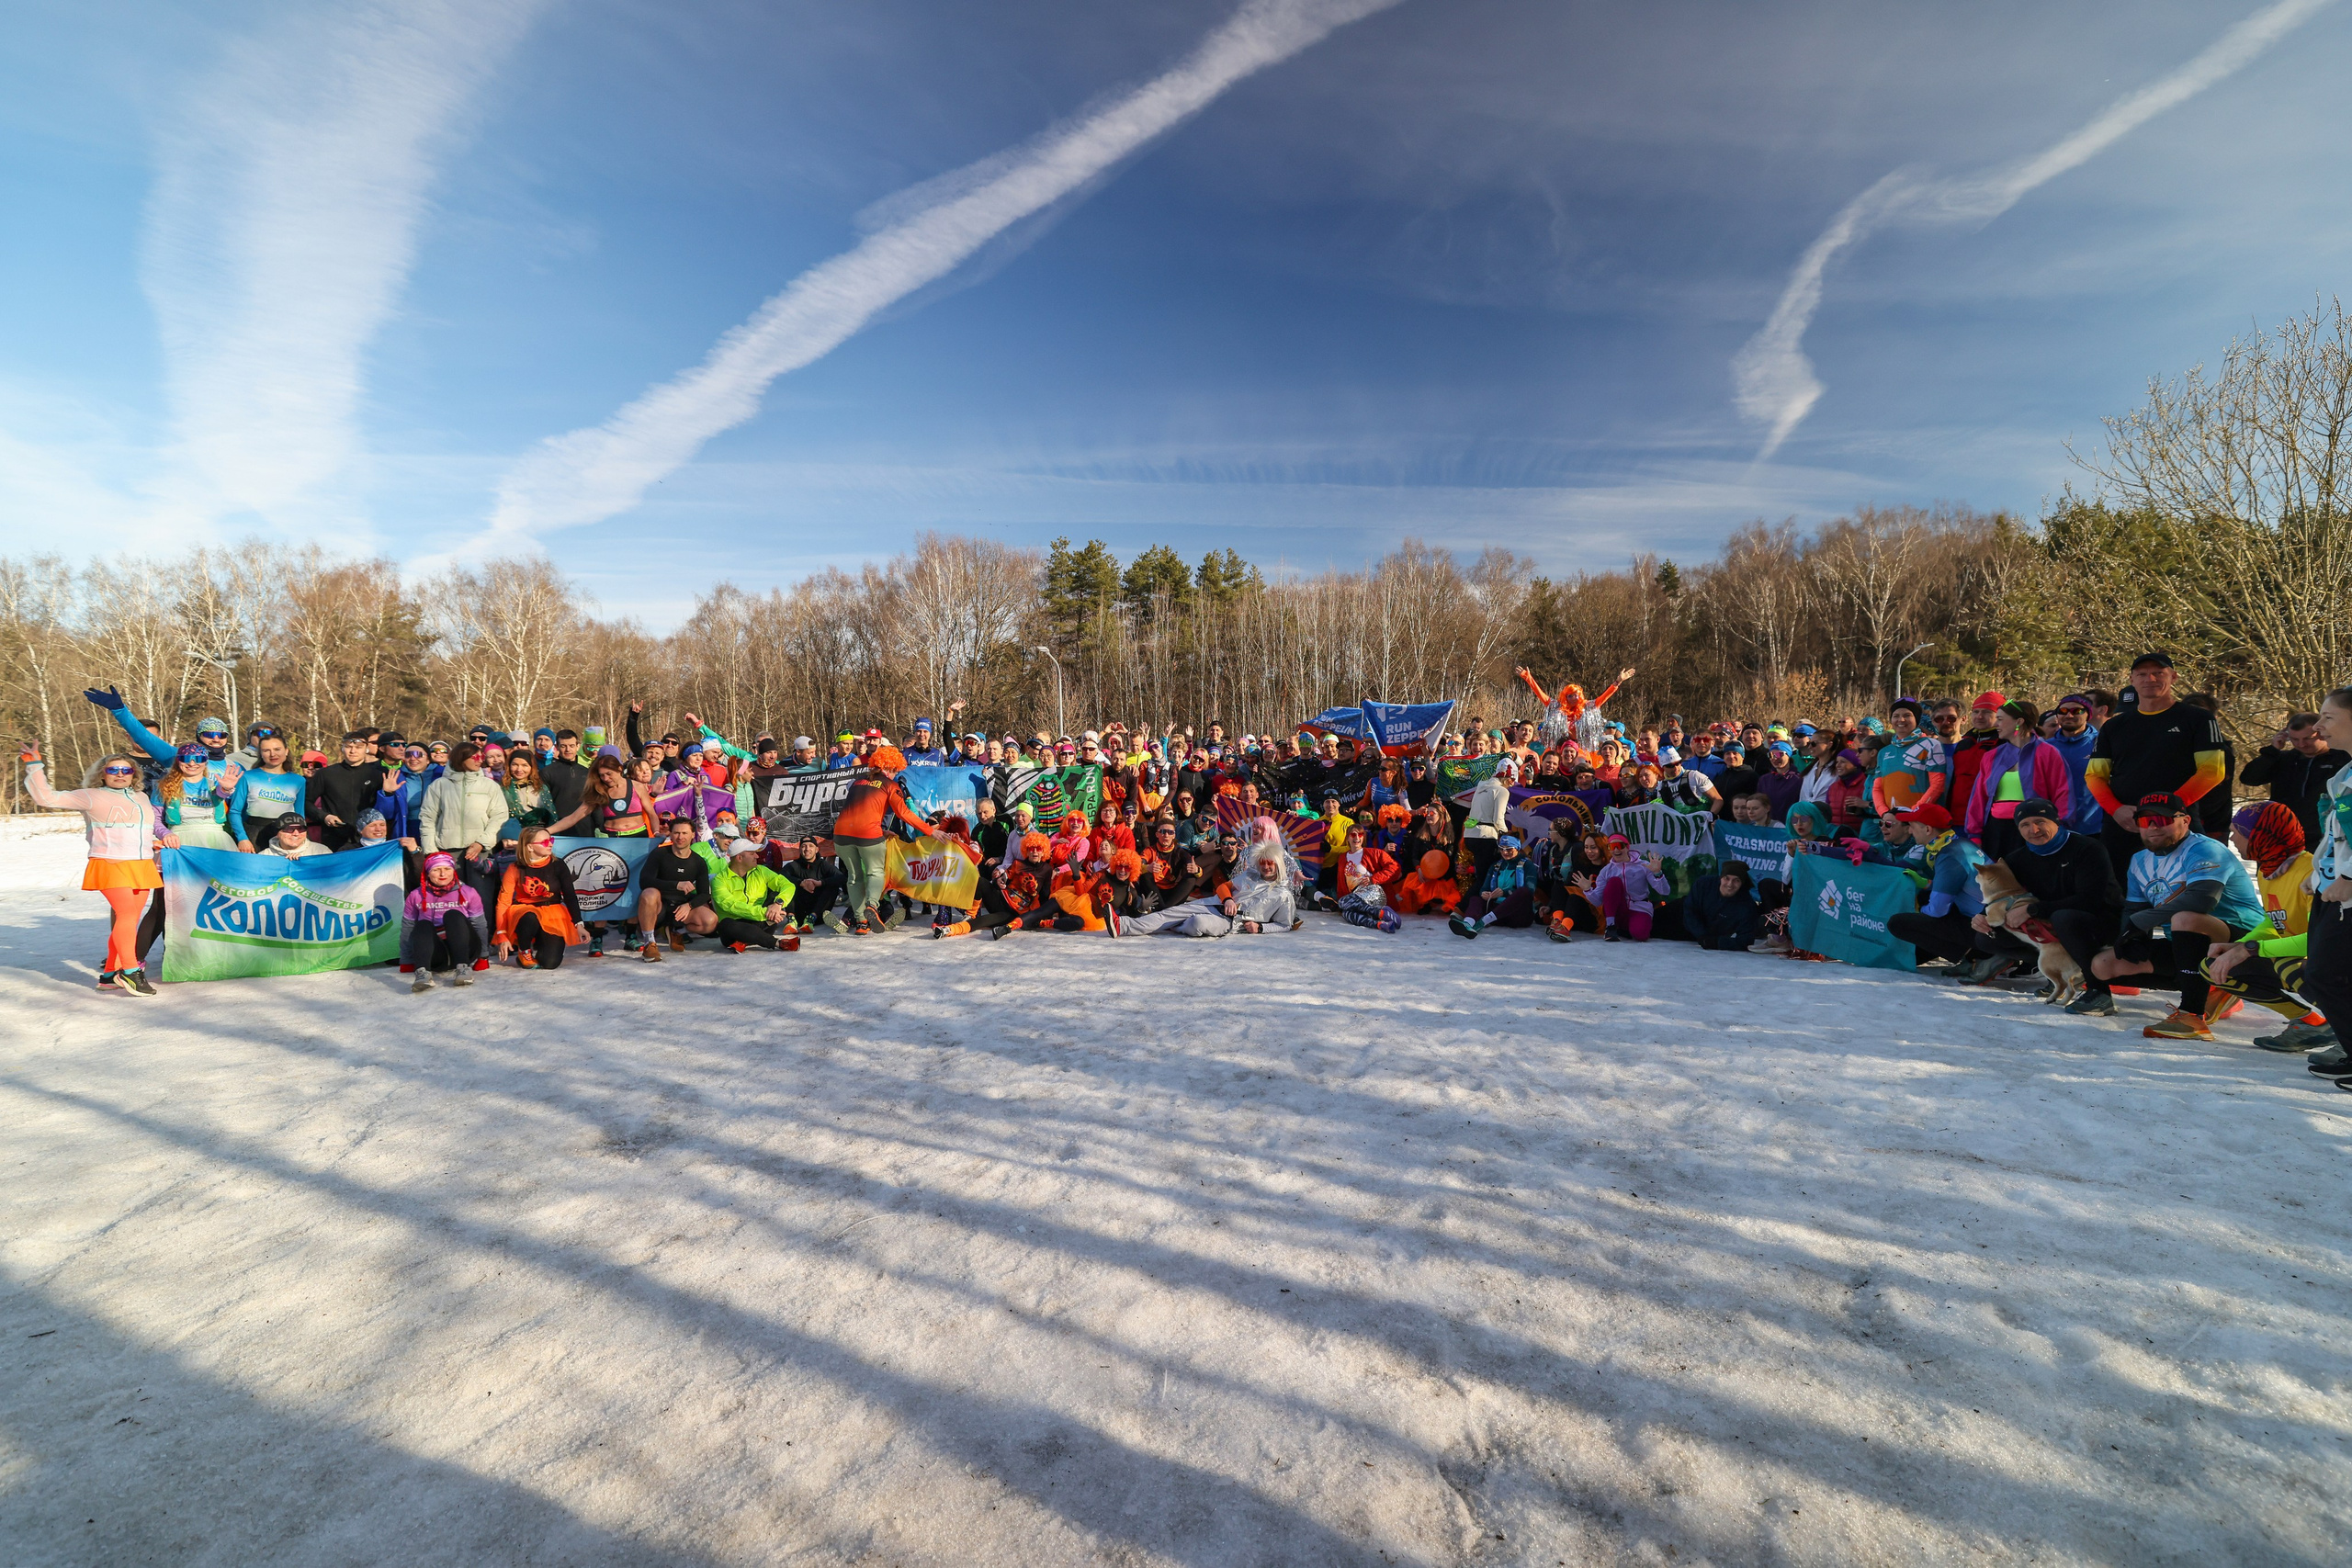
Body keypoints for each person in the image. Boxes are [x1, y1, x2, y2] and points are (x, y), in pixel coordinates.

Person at [2089, 793, 2269, 1040]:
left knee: (2185, 918)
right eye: (2145, 821)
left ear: (2185, 821)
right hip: (2188, 946)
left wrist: (2141, 922)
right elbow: (2134, 909)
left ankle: (2192, 1015)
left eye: (2162, 820)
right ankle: (2217, 987)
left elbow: (2202, 900)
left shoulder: (2205, 849)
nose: (2153, 827)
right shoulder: (2139, 860)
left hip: (2244, 941)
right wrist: (2132, 937)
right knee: (2103, 965)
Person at [21, 744, 161, 996]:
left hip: (141, 864)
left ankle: (109, 975)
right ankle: (130, 971)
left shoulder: (141, 797)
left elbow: (141, 828)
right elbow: (46, 798)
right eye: (113, 770)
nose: (120, 774)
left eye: (126, 770)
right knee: (126, 916)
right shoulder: (90, 796)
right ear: (102, 774)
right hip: (109, 862)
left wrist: (152, 841)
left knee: (129, 920)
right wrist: (34, 765)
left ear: (134, 774)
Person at [2085, 652, 2228, 880]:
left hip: (2176, 821)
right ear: (2132, 680)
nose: (2150, 679)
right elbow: (2094, 776)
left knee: (2187, 887)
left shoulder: (2198, 719)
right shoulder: (2114, 726)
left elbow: (2213, 771)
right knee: (2119, 890)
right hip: (2124, 823)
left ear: (2173, 677)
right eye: (2142, 674)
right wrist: (2115, 809)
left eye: (2158, 673)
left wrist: (2167, 809)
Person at [2200, 802, 2328, 1052]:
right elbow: (2275, 920)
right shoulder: (2270, 868)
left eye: (2238, 831)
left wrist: (2250, 949)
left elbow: (2317, 941)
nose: (2232, 838)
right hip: (2301, 955)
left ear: (2261, 836)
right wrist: (2239, 946)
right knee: (2214, 965)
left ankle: (2344, 1026)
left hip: (2329, 962)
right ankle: (2309, 1023)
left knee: (2287, 964)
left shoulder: (2312, 874)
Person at [830, 746, 933, 933]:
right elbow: (904, 813)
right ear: (889, 767)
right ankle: (872, 905)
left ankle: (861, 923)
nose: (896, 774)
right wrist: (931, 831)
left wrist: (881, 830)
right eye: (895, 770)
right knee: (875, 872)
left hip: (841, 835)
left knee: (854, 877)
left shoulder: (858, 781)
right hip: (868, 835)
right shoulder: (890, 785)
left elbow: (857, 811)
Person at [1963, 700, 2071, 863]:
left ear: (2018, 722)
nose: (1996, 724)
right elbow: (1978, 797)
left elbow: (2063, 793)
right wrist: (1974, 834)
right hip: (1997, 831)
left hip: (2036, 829)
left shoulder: (2048, 753)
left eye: (2000, 719)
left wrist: (2060, 829)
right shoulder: (1992, 756)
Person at [1885, 805, 1987, 969]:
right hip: (1986, 917)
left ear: (1927, 829)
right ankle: (1975, 954)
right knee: (1925, 898)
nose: (1910, 831)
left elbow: (1938, 910)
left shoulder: (1949, 854)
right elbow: (1955, 885)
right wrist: (1926, 884)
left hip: (1984, 926)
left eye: (1912, 826)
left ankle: (1978, 957)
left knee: (1897, 923)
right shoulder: (1957, 842)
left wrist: (1920, 912)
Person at [2239, 710, 2349, 848]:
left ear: (2322, 732)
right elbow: (2249, 778)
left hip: (2326, 836)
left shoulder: (2343, 759)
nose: (2302, 744)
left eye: (2308, 738)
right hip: (2283, 835)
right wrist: (2272, 751)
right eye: (2295, 739)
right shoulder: (2283, 759)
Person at [416, 741, 508, 907]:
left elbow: (499, 817)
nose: (480, 760)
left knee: (481, 899)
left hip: (480, 851)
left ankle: (482, 925)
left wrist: (482, 843)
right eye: (475, 757)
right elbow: (428, 818)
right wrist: (432, 852)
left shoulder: (490, 786)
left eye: (481, 757)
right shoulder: (439, 785)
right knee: (451, 899)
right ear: (461, 758)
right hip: (448, 850)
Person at [492, 827, 584, 970]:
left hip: (552, 911)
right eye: (545, 842)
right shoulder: (515, 868)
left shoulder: (558, 864)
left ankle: (541, 943)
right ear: (529, 847)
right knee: (530, 916)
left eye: (551, 840)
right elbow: (503, 903)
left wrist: (579, 924)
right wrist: (501, 933)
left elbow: (570, 896)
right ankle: (524, 951)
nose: (550, 844)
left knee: (550, 963)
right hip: (525, 912)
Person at [401, 852, 487, 990]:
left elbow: (480, 925)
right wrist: (406, 960)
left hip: (466, 950)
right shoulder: (416, 895)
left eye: (447, 869)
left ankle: (463, 969)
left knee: (453, 915)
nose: (442, 874)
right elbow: (407, 928)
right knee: (422, 924)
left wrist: (484, 956)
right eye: (436, 870)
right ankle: (423, 973)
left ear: (453, 871)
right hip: (437, 956)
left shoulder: (468, 892)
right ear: (428, 873)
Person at [636, 815, 718, 958]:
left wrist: (689, 906)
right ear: (671, 834)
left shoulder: (698, 862)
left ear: (692, 835)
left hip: (680, 910)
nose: (680, 837)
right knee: (649, 893)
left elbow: (705, 893)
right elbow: (644, 881)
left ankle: (676, 932)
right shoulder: (659, 854)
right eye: (676, 833)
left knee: (710, 921)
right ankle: (649, 943)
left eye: (684, 833)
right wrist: (676, 885)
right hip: (658, 908)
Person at [708, 842, 800, 952]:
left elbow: (788, 885)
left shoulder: (761, 870)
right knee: (725, 924)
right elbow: (732, 906)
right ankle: (777, 943)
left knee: (775, 895)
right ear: (739, 858)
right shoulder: (719, 880)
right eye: (752, 854)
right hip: (737, 927)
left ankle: (743, 941)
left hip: (761, 923)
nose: (757, 856)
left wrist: (778, 903)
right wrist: (765, 913)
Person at [229, 730, 306, 852]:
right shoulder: (247, 777)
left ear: (286, 751)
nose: (272, 754)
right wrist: (242, 838)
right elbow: (234, 811)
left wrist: (301, 838)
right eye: (266, 750)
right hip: (253, 834)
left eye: (277, 749)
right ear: (260, 753)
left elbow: (300, 815)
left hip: (286, 834)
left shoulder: (298, 780)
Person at [309, 730, 383, 852]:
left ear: (366, 749)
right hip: (334, 837)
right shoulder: (326, 774)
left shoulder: (377, 776)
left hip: (367, 838)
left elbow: (384, 809)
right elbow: (306, 802)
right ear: (342, 748)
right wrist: (324, 816)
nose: (353, 751)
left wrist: (388, 794)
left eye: (358, 747)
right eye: (348, 747)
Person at [1589, 834, 1669, 942]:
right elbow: (1597, 901)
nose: (1616, 850)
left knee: (1641, 935)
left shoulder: (1643, 866)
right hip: (1617, 910)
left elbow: (1665, 891)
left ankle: (1627, 929)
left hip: (1639, 908)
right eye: (1612, 847)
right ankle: (1611, 927)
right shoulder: (1607, 870)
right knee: (1614, 881)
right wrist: (1587, 890)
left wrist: (1658, 873)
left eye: (1619, 845)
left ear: (1627, 847)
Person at [1686, 861, 1764, 952]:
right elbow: (1689, 910)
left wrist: (1716, 942)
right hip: (1683, 922)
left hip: (1706, 937)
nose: (1730, 884)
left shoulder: (1747, 907)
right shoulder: (1703, 884)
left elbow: (1745, 941)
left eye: (1736, 880)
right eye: (1726, 878)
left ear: (1742, 883)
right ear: (1721, 878)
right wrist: (1702, 934)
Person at [257, 812, 330, 859]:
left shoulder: (321, 852)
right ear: (277, 833)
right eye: (289, 829)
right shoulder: (265, 856)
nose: (296, 834)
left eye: (301, 829)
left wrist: (305, 863)